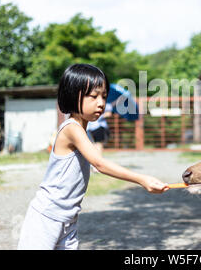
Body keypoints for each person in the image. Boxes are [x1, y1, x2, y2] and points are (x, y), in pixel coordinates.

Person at [17, 64, 169, 250]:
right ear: (73, 94)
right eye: (93, 96)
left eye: (104, 96)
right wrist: (142, 179)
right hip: (47, 217)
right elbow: (99, 163)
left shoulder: (82, 128)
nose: (101, 103)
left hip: (68, 219)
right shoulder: (72, 128)